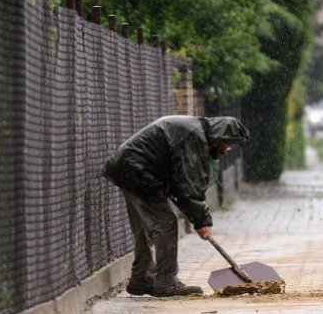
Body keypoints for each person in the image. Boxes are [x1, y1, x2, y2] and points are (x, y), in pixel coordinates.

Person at [102, 115, 249, 297]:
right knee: (165, 224)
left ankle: (142, 279)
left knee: (145, 226)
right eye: (228, 143)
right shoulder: (195, 137)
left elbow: (181, 183)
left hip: (127, 167)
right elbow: (188, 186)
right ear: (220, 136)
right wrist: (202, 221)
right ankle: (166, 282)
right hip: (139, 171)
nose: (227, 149)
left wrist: (197, 217)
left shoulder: (196, 131)